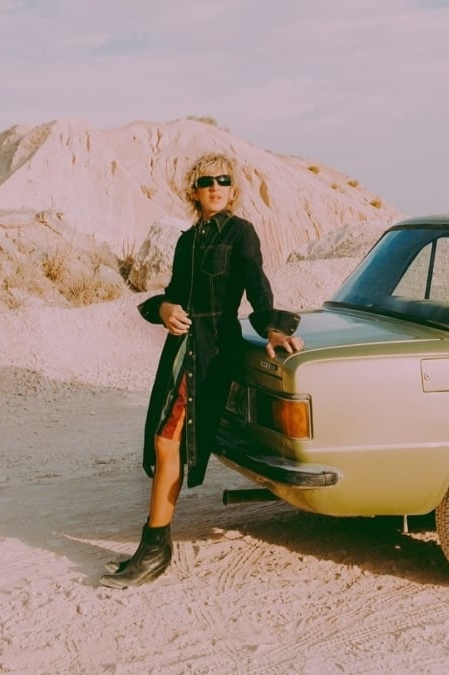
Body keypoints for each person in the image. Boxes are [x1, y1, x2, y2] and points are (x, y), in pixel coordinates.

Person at [100, 153, 303, 589]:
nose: (215, 187)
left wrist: (273, 328)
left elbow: (257, 286)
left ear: (233, 190)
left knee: (166, 438)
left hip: (212, 352)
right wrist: (166, 308)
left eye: (224, 181)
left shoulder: (241, 233)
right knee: (161, 438)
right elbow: (173, 293)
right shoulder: (187, 241)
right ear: (194, 190)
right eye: (207, 181)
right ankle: (154, 544)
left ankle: (155, 547)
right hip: (179, 351)